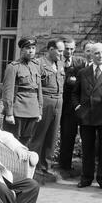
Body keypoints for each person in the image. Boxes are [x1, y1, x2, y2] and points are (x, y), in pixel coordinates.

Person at [72, 42, 102, 191]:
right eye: (97, 53)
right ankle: (86, 178)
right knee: (88, 148)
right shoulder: (83, 72)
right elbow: (75, 93)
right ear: (91, 54)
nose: (100, 56)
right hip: (87, 115)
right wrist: (78, 107)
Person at [29, 39, 65, 176]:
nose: (62, 54)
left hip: (58, 101)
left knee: (52, 135)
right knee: (39, 135)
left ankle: (46, 166)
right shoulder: (38, 63)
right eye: (59, 51)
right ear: (50, 49)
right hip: (45, 101)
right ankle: (34, 167)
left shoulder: (60, 63)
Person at [2, 36, 42, 146]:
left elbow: (39, 90)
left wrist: (39, 110)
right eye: (28, 48)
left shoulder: (36, 66)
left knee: (26, 143)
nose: (31, 51)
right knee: (12, 143)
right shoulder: (13, 67)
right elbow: (8, 91)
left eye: (33, 48)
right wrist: (9, 113)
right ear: (22, 50)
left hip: (33, 111)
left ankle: (23, 163)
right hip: (17, 111)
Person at [58, 37, 87, 173]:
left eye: (71, 49)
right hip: (57, 101)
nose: (68, 51)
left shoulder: (80, 62)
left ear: (74, 49)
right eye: (66, 49)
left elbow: (84, 83)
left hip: (71, 104)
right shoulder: (56, 61)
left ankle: (65, 165)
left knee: (68, 133)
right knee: (51, 134)